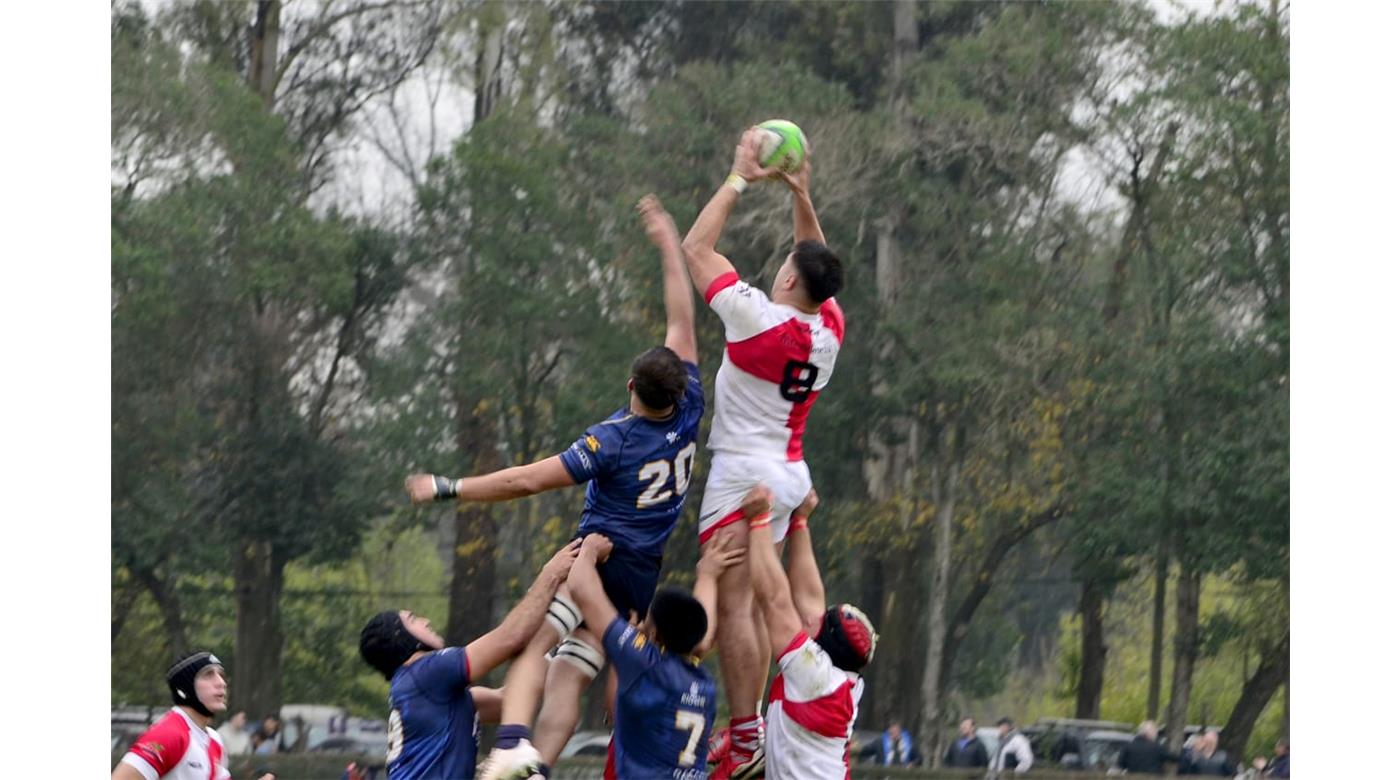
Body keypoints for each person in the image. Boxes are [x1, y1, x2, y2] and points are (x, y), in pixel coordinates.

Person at [406, 195, 706, 780]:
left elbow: (523, 481)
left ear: (630, 386)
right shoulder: (691, 405)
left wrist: (449, 487)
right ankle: (539, 765)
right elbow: (682, 321)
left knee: (536, 642)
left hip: (594, 560)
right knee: (572, 671)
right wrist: (670, 245)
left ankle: (515, 744)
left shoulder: (613, 441)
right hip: (641, 576)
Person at [680, 128, 846, 779]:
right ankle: (748, 726)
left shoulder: (757, 315)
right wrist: (801, 192)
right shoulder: (828, 331)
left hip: (743, 475)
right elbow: (817, 265)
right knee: (754, 601)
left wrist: (740, 176)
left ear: (784, 276)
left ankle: (746, 734)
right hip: (786, 472)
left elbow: (698, 248)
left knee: (736, 603)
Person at [356, 540, 580, 780]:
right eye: (413, 619)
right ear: (399, 637)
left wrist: (556, 643)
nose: (425, 621)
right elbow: (511, 637)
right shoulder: (427, 673)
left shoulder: (424, 691)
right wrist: (551, 574)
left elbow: (510, 698)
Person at [566, 531, 744, 779]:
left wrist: (588, 550)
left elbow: (581, 588)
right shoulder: (704, 684)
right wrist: (707, 576)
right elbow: (700, 639)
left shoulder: (643, 663)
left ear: (656, 634)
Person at [743, 486, 877, 779]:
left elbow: (775, 601)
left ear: (823, 644)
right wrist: (800, 521)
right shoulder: (841, 679)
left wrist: (759, 521)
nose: (816, 615)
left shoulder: (815, 677)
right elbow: (809, 606)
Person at [112, 651, 274, 780]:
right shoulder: (169, 734)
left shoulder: (214, 740)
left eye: (221, 675)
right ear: (184, 689)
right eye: (209, 675)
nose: (221, 683)